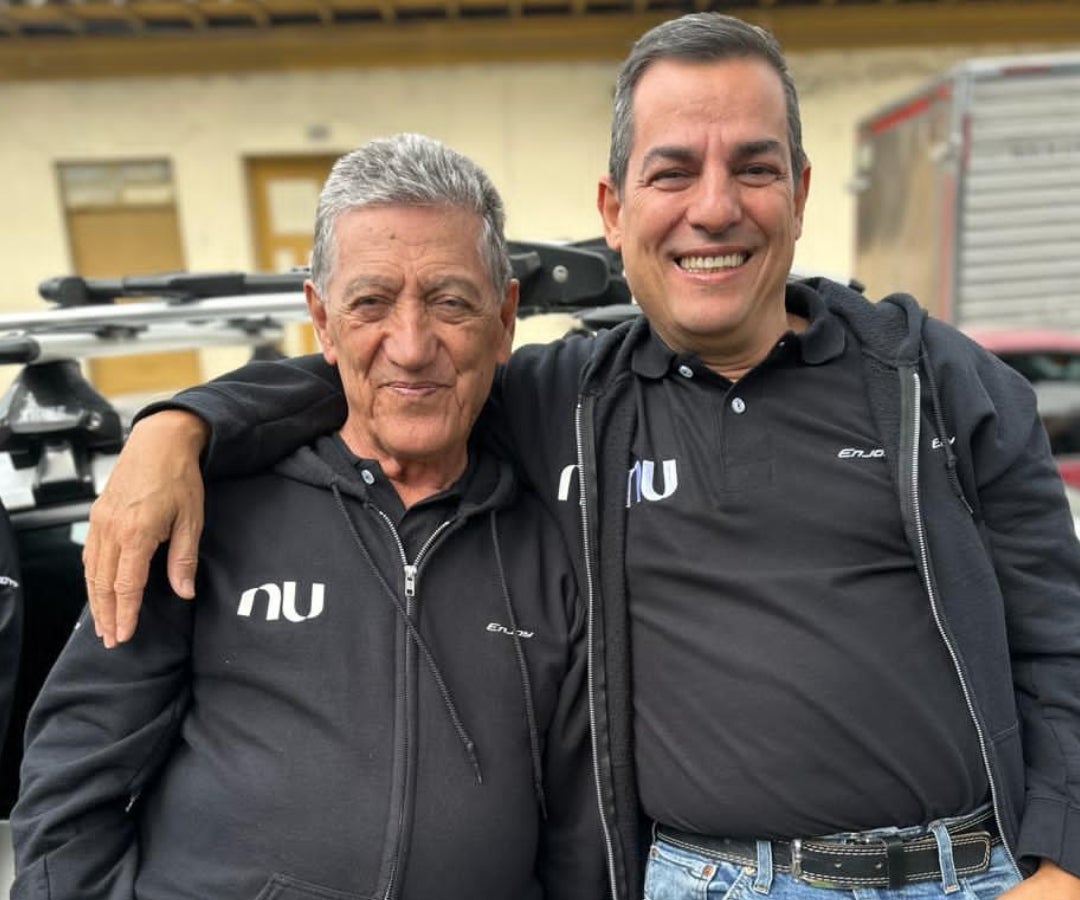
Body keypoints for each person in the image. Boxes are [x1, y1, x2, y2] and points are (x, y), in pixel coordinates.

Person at [81, 14, 1080, 900]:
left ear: (802, 190)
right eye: (673, 171)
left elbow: (1062, 643)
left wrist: (1065, 863)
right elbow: (399, 374)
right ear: (613, 208)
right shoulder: (563, 399)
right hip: (706, 882)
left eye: (755, 167)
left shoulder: (933, 385)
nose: (716, 207)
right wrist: (180, 425)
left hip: (975, 876)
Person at [11, 133, 603, 900]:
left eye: (451, 301)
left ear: (505, 319)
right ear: (322, 322)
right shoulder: (204, 510)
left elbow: (578, 831)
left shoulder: (552, 542)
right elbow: (72, 767)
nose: (412, 345)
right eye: (371, 303)